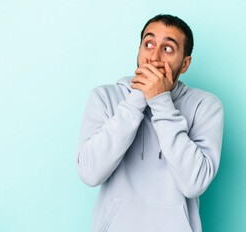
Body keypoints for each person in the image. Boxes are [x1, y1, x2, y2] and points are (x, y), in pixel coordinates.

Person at [75, 14, 224, 232]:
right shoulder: (104, 97)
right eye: (149, 44)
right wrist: (137, 97)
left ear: (184, 64)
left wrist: (160, 101)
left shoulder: (206, 105)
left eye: (168, 49)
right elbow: (90, 173)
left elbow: (194, 183)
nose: (154, 57)